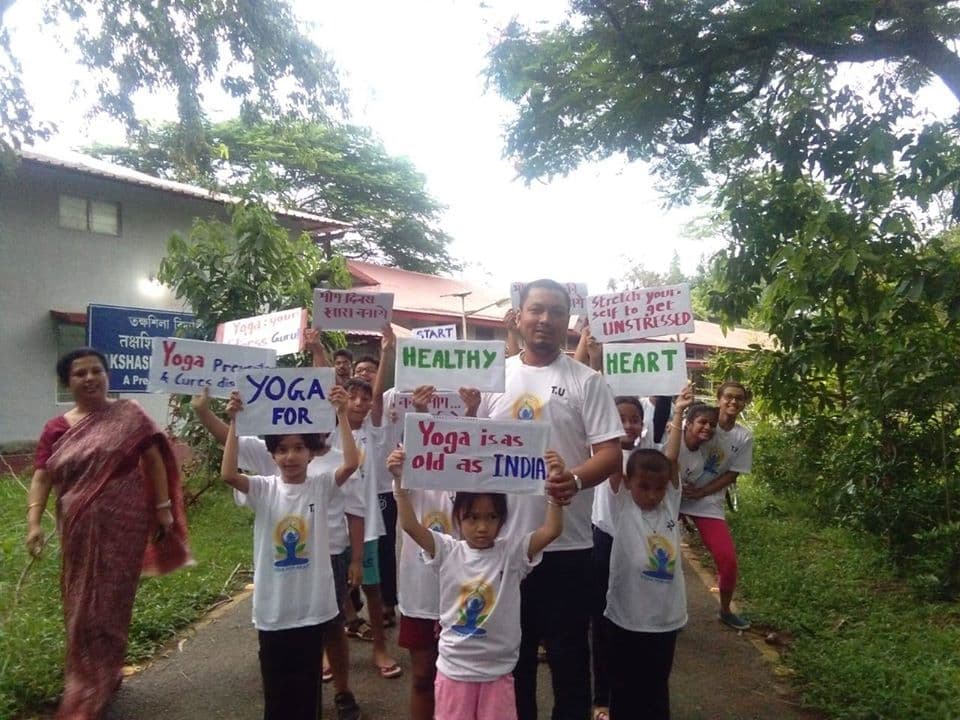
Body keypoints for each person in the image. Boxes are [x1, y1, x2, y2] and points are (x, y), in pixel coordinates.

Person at [476, 279, 623, 720]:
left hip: (567, 546)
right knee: (512, 660)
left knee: (569, 661)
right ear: (519, 316)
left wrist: (574, 480)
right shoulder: (492, 375)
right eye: (536, 310)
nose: (545, 319)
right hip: (504, 546)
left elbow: (610, 454)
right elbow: (472, 448)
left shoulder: (587, 381)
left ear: (568, 322)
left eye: (556, 312)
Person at [25, 347, 192, 720]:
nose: (89, 378)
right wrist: (34, 522)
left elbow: (153, 460)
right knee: (81, 603)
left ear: (106, 375)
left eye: (96, 371)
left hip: (125, 527)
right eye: (79, 373)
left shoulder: (129, 415)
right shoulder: (56, 428)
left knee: (114, 602)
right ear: (67, 382)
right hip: (78, 529)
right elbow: (42, 476)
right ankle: (84, 680)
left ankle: (106, 673)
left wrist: (163, 509)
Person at [192, 385, 365, 720]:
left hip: (312, 608)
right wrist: (235, 422)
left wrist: (342, 414)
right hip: (273, 610)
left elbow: (351, 462)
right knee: (276, 689)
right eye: (282, 449)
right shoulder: (263, 488)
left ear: (311, 453)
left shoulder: (320, 486)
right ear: (271, 455)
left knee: (307, 689)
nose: (290, 456)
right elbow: (228, 474)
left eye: (299, 448)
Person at [390, 447, 566, 720]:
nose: (482, 527)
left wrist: (554, 489)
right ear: (458, 518)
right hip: (454, 671)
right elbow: (410, 526)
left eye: (491, 517)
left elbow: (552, 530)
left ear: (502, 520)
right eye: (473, 517)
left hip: (498, 672)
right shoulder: (447, 550)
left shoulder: (512, 554)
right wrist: (399, 483)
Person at [603, 388, 692, 720]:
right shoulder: (622, 504)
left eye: (659, 488)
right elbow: (613, 458)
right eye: (644, 486)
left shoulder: (669, 503)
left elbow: (671, 459)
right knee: (624, 686)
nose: (653, 494)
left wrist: (678, 412)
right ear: (628, 483)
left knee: (656, 687)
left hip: (665, 620)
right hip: (626, 617)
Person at [393, 384, 480, 720]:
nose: (445, 447)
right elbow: (415, 449)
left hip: (462, 596)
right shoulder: (411, 477)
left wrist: (472, 413)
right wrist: (419, 412)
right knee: (422, 677)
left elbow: (477, 449)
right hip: (420, 596)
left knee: (461, 680)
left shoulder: (471, 479)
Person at [588, 395, 653, 720]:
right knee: (602, 624)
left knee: (633, 622)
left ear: (643, 424)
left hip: (637, 547)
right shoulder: (601, 454)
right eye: (620, 418)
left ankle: (630, 695)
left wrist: (677, 405)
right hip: (604, 543)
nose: (628, 424)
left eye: (634, 419)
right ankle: (602, 698)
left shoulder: (647, 456)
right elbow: (614, 470)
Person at [680, 382, 754, 631]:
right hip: (675, 494)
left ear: (744, 403)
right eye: (728, 397)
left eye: (739, 398)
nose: (733, 402)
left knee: (727, 560)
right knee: (662, 556)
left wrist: (701, 492)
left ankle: (725, 610)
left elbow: (732, 474)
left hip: (708, 501)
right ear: (719, 398)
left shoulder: (744, 437)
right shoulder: (702, 420)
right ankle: (664, 612)